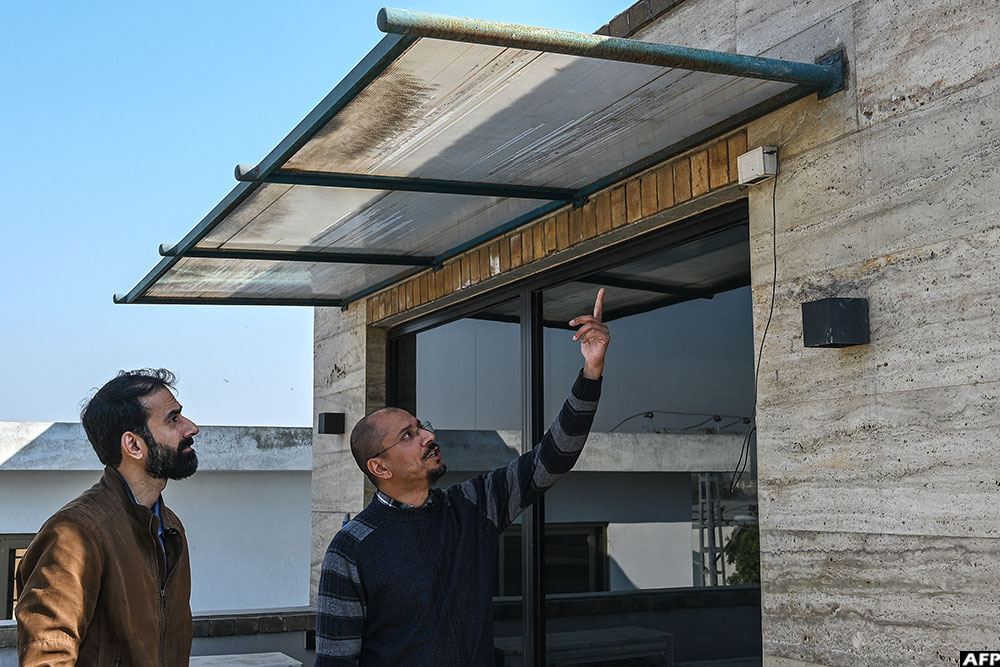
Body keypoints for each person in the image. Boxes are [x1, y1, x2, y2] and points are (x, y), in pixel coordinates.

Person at [315, 289, 611, 666]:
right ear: (380, 468)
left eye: (421, 427)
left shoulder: (472, 505)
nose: (428, 436)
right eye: (409, 435)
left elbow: (552, 458)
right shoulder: (351, 549)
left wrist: (591, 372)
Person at [15, 368, 200, 666]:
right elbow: (46, 655)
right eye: (173, 419)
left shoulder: (170, 526)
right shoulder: (76, 532)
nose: (192, 428)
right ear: (134, 445)